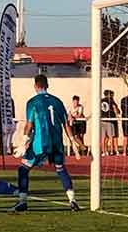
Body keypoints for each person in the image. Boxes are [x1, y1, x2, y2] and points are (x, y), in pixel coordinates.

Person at [9, 74, 79, 213]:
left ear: (35, 86)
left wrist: (23, 142)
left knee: (23, 169)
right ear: (47, 85)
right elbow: (66, 124)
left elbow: (29, 125)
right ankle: (72, 201)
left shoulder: (33, 102)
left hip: (40, 144)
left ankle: (22, 202)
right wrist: (73, 141)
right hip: (57, 143)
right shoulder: (57, 101)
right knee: (60, 169)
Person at [100, 89, 119, 156]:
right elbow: (115, 109)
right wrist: (117, 115)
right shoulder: (111, 101)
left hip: (102, 120)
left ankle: (104, 151)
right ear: (109, 94)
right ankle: (111, 151)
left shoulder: (100, 101)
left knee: (103, 137)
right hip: (109, 120)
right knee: (111, 137)